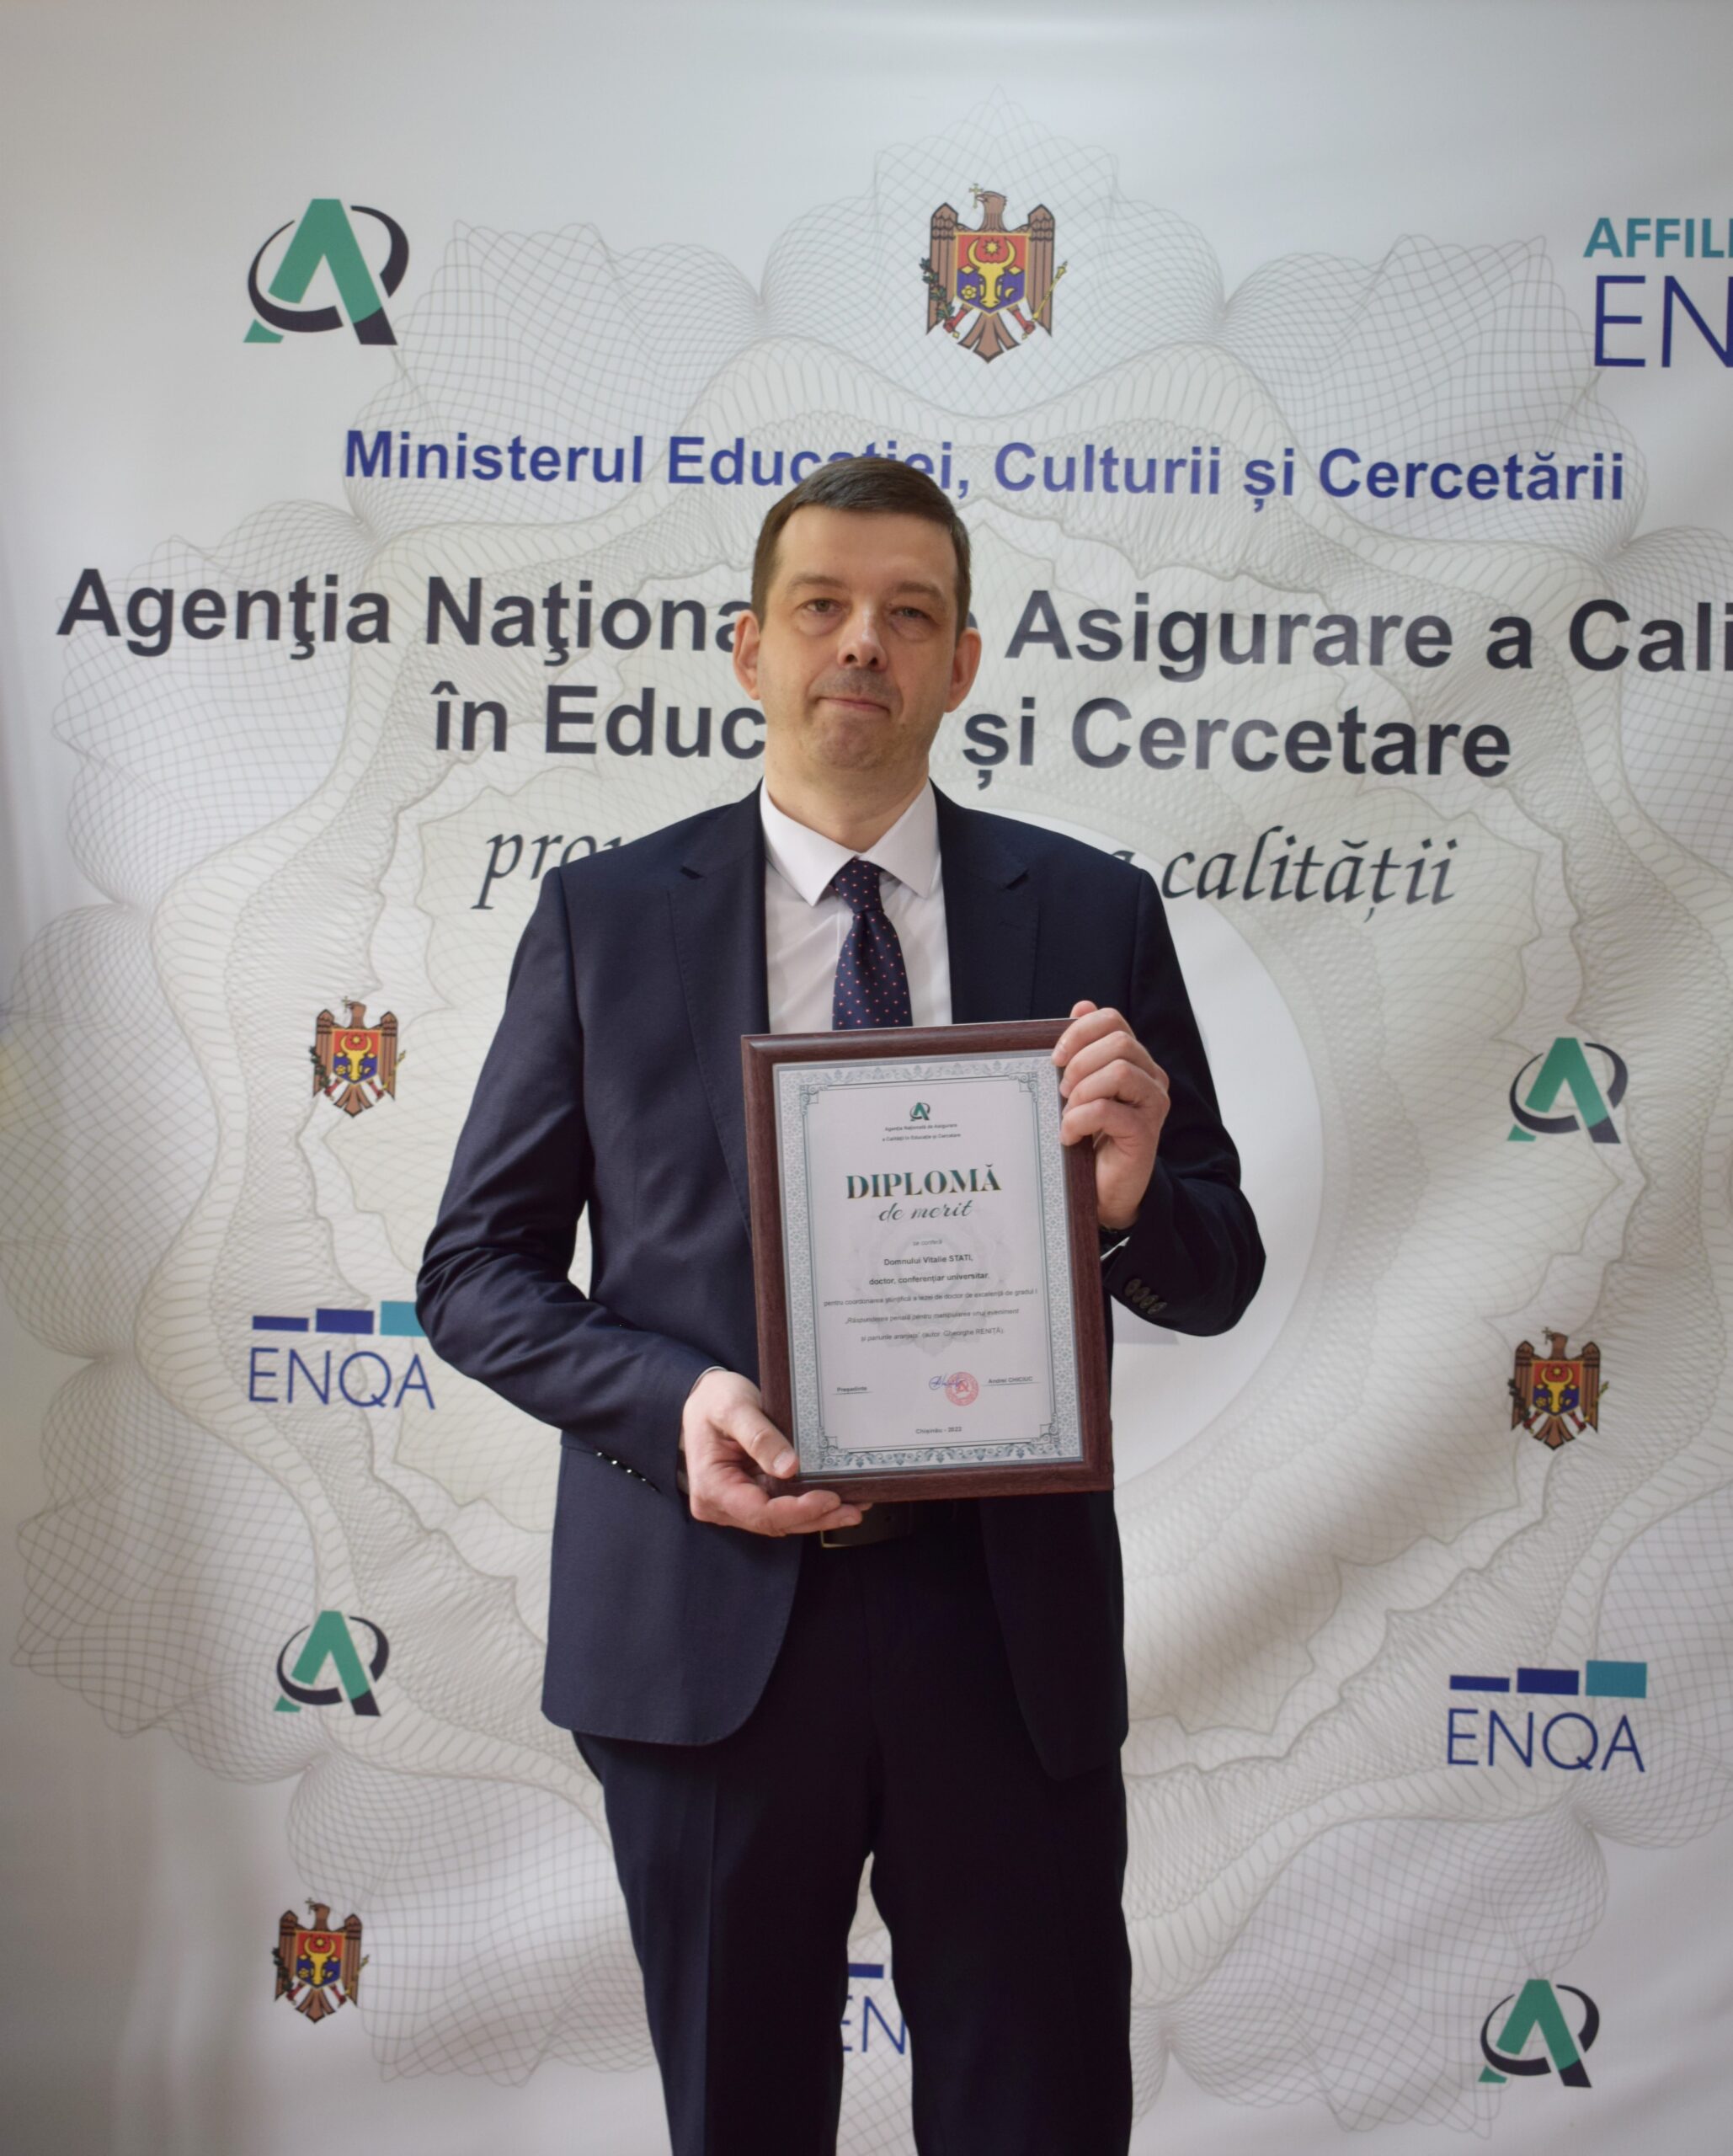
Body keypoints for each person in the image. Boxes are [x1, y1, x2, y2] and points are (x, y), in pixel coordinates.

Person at [418, 457, 1263, 2154]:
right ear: (750, 648)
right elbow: (474, 1274)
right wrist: (676, 1402)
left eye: (909, 613)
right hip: (706, 1631)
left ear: (962, 663)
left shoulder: (1089, 911)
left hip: (1000, 1639)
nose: (861, 642)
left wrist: (1126, 1199)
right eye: (821, 606)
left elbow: (1215, 1264)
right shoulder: (602, 919)